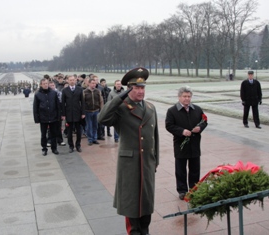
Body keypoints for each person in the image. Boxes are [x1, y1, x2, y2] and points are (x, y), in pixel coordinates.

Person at [98, 67, 159, 235]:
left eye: (142, 87)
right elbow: (102, 118)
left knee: (146, 202)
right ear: (129, 89)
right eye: (136, 88)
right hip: (130, 164)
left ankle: (145, 230)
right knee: (132, 204)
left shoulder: (150, 107)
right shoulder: (121, 108)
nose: (140, 91)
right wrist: (119, 98)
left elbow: (155, 137)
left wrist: (156, 160)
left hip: (147, 163)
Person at [165, 86, 208, 200]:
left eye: (189, 96)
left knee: (195, 169)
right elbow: (169, 126)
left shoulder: (197, 109)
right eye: (184, 96)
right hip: (180, 144)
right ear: (179, 97)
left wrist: (200, 127)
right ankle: (182, 190)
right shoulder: (172, 111)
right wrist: (182, 131)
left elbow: (204, 121)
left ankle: (194, 189)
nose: (187, 99)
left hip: (194, 144)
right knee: (181, 169)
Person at [33, 78, 60, 156]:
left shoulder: (53, 93)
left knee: (53, 134)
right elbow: (35, 107)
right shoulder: (38, 94)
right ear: (41, 85)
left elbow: (57, 105)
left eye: (47, 83)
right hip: (43, 118)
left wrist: (58, 116)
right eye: (44, 84)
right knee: (43, 134)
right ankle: (44, 148)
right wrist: (37, 119)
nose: (46, 85)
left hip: (53, 117)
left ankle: (54, 148)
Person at [61, 75, 85, 153]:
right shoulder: (64, 90)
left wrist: (83, 113)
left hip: (77, 113)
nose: (72, 81)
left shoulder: (79, 89)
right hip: (69, 114)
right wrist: (63, 114)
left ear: (75, 81)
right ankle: (71, 146)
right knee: (69, 131)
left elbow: (82, 102)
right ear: (68, 81)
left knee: (78, 131)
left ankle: (78, 145)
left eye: (73, 80)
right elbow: (63, 103)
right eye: (70, 80)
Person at [84, 78, 103, 146]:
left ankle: (95, 138)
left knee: (95, 125)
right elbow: (82, 102)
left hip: (96, 111)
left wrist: (101, 110)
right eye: (92, 83)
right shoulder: (85, 92)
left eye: (95, 83)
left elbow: (101, 101)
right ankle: (90, 139)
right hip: (88, 111)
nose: (94, 85)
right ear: (89, 83)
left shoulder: (98, 91)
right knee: (89, 126)